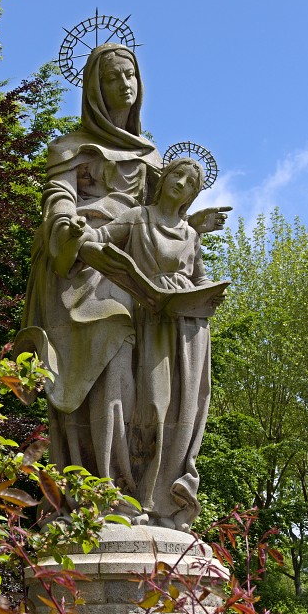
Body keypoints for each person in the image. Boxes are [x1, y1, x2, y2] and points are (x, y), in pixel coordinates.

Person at [17, 43, 229, 524]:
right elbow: (58, 202)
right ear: (95, 86)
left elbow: (161, 217)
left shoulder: (151, 156)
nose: (125, 85)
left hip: (140, 274)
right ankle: (99, 492)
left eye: (131, 75)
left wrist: (193, 223)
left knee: (153, 392)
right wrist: (69, 228)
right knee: (110, 371)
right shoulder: (70, 148)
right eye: (113, 77)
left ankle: (147, 494)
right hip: (85, 269)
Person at [73, 158, 227, 530]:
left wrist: (205, 296)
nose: (181, 183)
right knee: (152, 410)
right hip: (149, 321)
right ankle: (133, 497)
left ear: (193, 194)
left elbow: (199, 277)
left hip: (189, 329)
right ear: (163, 180)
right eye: (177, 174)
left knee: (182, 414)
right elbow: (98, 240)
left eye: (191, 181)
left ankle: (163, 505)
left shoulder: (190, 235)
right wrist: (78, 229)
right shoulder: (138, 217)